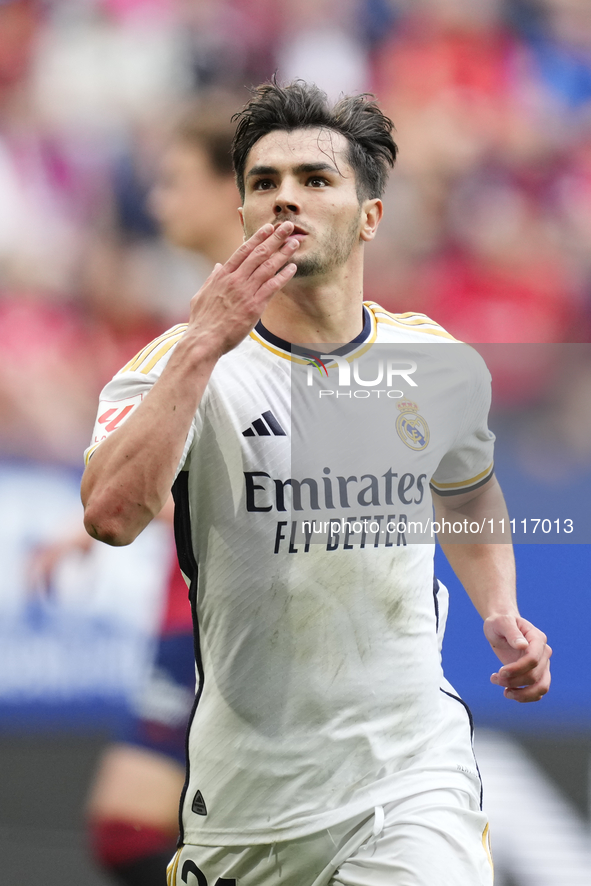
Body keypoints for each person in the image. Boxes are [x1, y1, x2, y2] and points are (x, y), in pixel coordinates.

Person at [81, 81, 552, 886]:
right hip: (245, 809)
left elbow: (467, 491)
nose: (283, 199)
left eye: (313, 179)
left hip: (409, 783)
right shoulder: (177, 365)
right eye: (263, 183)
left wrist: (499, 606)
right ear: (240, 216)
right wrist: (203, 346)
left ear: (367, 216)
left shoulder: (432, 361)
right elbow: (111, 516)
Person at [34, 100, 243, 886]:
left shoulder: (260, 315)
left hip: (225, 616)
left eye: (174, 180)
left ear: (232, 189)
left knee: (137, 833)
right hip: (186, 606)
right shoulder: (203, 311)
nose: (157, 201)